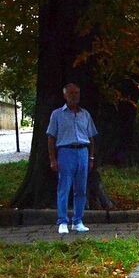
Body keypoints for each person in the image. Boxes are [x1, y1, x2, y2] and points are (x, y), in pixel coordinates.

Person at [47, 83, 98, 234]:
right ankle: (62, 221)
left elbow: (91, 137)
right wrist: (52, 159)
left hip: (82, 151)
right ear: (65, 96)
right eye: (71, 93)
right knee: (64, 187)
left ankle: (78, 220)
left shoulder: (85, 114)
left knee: (81, 189)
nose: (74, 96)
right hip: (65, 152)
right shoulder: (57, 114)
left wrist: (91, 157)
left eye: (76, 93)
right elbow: (51, 137)